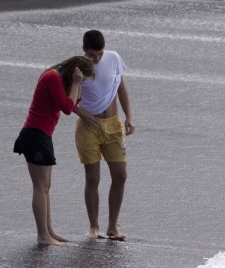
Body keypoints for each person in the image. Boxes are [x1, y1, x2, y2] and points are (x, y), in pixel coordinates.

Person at [14, 56, 96, 246]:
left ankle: (49, 231)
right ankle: (42, 235)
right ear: (75, 72)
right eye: (82, 79)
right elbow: (68, 108)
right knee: (40, 187)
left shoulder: (59, 78)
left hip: (43, 135)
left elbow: (73, 103)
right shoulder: (52, 77)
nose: (81, 83)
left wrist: (78, 85)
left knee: (46, 186)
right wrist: (76, 83)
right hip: (35, 134)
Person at [73, 30, 135, 240]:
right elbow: (67, 99)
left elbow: (121, 88)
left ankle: (112, 226)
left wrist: (129, 117)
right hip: (88, 127)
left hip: (113, 126)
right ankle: (94, 227)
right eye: (92, 55)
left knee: (121, 175)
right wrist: (82, 113)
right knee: (93, 178)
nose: (97, 59)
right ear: (84, 50)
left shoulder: (114, 58)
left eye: (99, 54)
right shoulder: (77, 67)